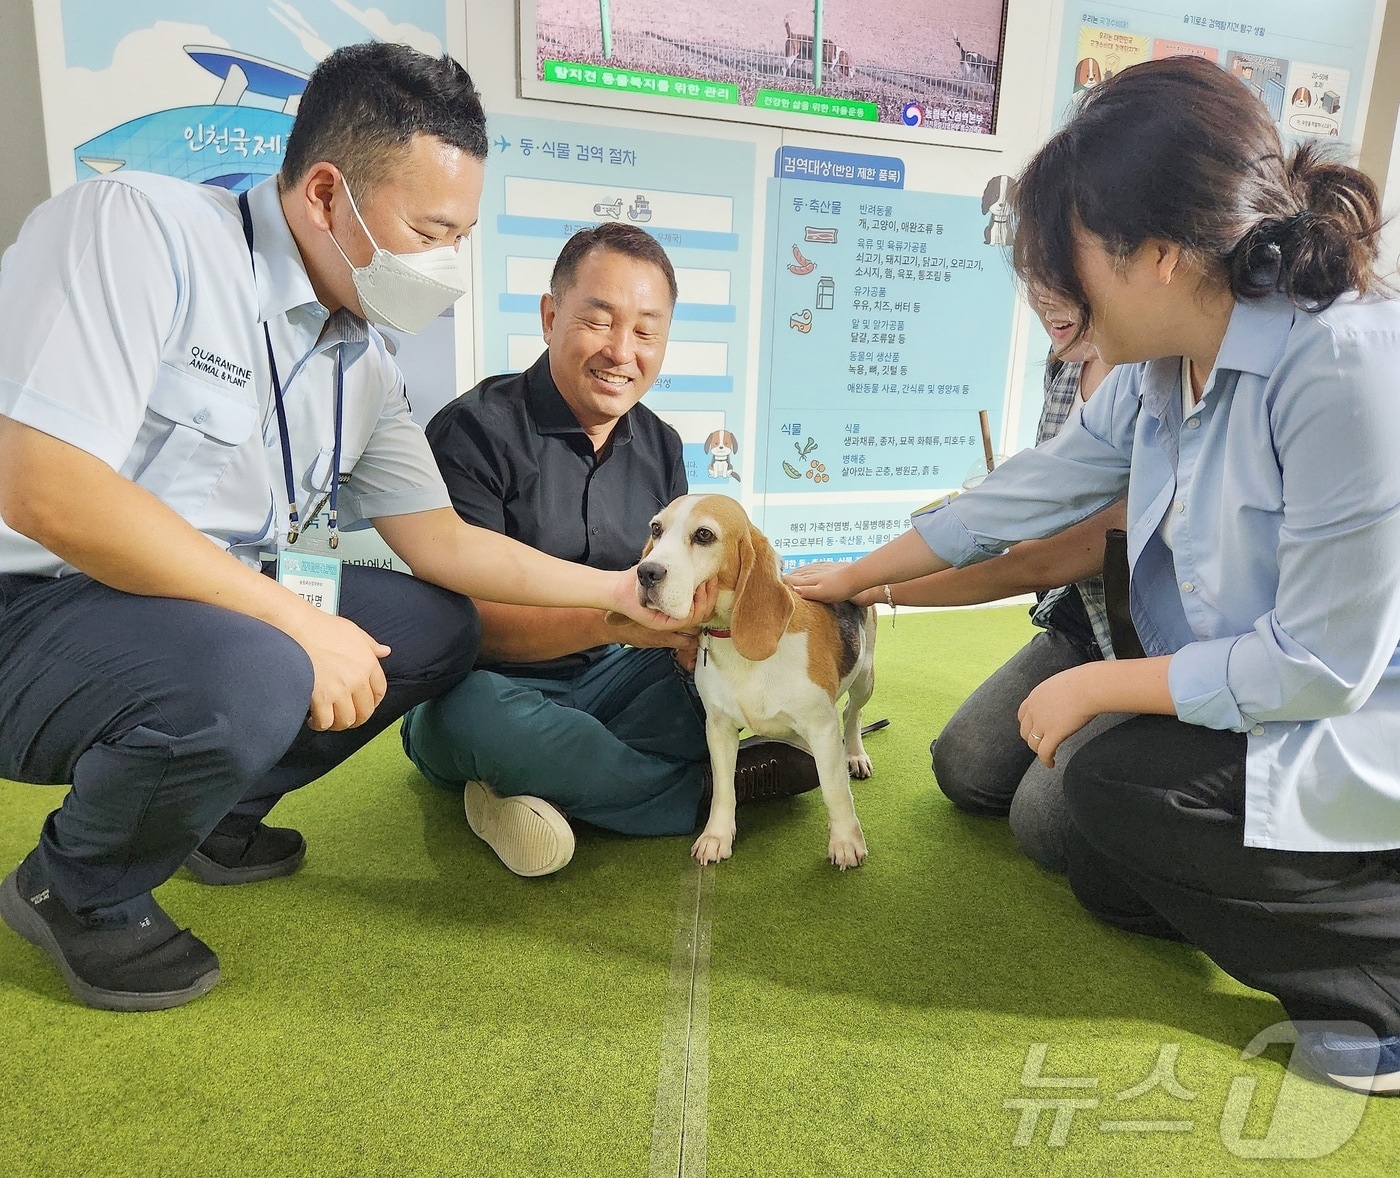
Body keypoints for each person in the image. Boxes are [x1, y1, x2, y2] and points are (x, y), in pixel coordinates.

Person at [0, 44, 694, 1012]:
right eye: (429, 228)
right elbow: (47, 491)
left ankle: (217, 811)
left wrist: (622, 593)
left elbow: (443, 542)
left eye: (462, 234)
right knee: (262, 659)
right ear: (327, 194)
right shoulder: (136, 230)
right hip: (33, 603)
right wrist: (291, 621)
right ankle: (75, 885)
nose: (445, 261)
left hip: (198, 607)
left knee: (433, 621)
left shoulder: (360, 358)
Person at [790, 56, 1400, 1094]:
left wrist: (1093, 684)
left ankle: (1375, 973)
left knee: (1107, 783)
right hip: (1226, 685)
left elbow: (1322, 666)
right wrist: (843, 575)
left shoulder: (1341, 369)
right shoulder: (1163, 365)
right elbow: (1011, 501)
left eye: (1069, 262)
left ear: (1158, 252)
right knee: (1090, 851)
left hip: (1345, 711)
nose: (1055, 298)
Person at [400, 223, 819, 876]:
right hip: (491, 685)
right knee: (474, 722)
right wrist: (625, 621)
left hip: (620, 676)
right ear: (549, 316)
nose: (622, 352)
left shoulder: (662, 447)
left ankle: (532, 791)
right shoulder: (472, 433)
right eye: (599, 321)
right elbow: (473, 629)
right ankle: (703, 793)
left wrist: (704, 635)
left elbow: (681, 604)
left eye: (647, 331)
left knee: (715, 689)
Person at [853, 290, 1123, 872]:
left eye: (1062, 266)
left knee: (1044, 825)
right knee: (965, 769)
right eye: (1031, 273)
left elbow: (1037, 555)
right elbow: (1018, 515)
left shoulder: (1149, 376)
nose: (1045, 294)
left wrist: (873, 584)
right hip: (1078, 621)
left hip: (1145, 648)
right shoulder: (1065, 363)